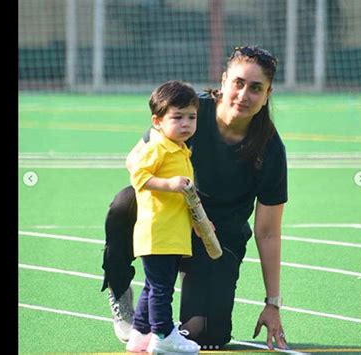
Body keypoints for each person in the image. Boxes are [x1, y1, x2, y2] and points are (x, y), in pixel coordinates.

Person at [101, 45, 289, 351]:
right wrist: (173, 190)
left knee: (206, 335)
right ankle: (122, 292)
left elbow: (268, 231)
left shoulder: (270, 149)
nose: (243, 95)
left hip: (218, 240)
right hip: (170, 216)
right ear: (224, 80)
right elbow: (135, 161)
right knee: (125, 203)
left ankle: (171, 319)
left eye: (256, 88)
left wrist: (273, 304)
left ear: (268, 93)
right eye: (238, 83)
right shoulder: (190, 110)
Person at [123, 80, 201, 354]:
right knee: (162, 288)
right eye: (177, 117)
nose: (186, 123)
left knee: (154, 286)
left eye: (191, 117)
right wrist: (168, 184)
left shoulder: (181, 149)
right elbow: (139, 175)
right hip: (157, 232)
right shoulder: (159, 147)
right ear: (157, 121)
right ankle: (164, 334)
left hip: (172, 232)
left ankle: (141, 333)